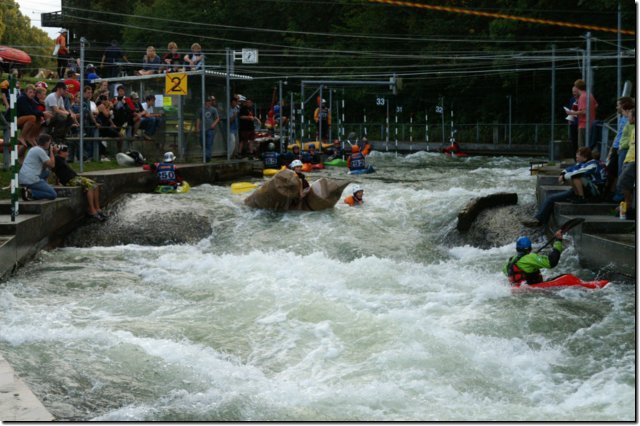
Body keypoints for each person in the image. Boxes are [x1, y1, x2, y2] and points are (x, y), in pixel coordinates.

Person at [523, 147, 606, 227]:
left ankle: (581, 197)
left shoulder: (593, 164)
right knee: (551, 198)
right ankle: (539, 220)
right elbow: (570, 169)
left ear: (584, 158)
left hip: (595, 192)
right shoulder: (583, 163)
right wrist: (562, 174)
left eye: (578, 155)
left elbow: (576, 174)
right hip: (585, 190)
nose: (576, 156)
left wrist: (563, 177)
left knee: (576, 176)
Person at [52, 144, 107, 221]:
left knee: (95, 185)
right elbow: (54, 169)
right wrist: (53, 151)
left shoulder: (62, 159)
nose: (67, 154)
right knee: (90, 187)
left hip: (76, 177)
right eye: (66, 152)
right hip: (70, 180)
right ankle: (92, 210)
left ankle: (97, 208)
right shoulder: (56, 158)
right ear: (61, 152)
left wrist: (57, 181)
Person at [606, 97, 634, 200]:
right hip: (618, 147)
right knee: (612, 171)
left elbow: (628, 136)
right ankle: (613, 193)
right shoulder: (623, 118)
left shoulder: (630, 118)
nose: (617, 107)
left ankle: (619, 195)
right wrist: (612, 148)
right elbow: (619, 135)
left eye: (618, 105)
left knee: (620, 172)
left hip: (623, 149)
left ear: (623, 106)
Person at [18, 133, 58, 201]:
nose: (50, 144)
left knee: (46, 172)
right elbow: (52, 165)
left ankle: (38, 188)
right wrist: (51, 151)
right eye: (50, 142)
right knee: (53, 195)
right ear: (47, 142)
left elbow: (45, 166)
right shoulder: (40, 151)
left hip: (23, 177)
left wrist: (52, 153)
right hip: (31, 179)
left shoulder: (34, 149)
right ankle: (31, 193)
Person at [566, 79, 598, 149]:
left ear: (577, 88)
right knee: (589, 146)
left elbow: (584, 111)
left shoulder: (582, 97)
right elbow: (596, 105)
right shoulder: (589, 94)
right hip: (590, 123)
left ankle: (583, 160)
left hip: (583, 124)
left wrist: (571, 113)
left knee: (582, 147)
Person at [616, 108, 635, 219]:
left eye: (630, 116)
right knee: (625, 183)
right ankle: (629, 206)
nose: (628, 118)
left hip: (633, 160)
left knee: (622, 182)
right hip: (628, 159)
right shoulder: (632, 129)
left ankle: (628, 204)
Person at [196, 96, 220, 162]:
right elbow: (198, 119)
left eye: (209, 101)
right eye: (207, 101)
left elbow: (217, 118)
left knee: (209, 143)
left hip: (210, 129)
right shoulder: (201, 109)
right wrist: (197, 128)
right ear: (205, 102)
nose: (208, 103)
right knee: (203, 143)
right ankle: (206, 156)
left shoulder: (214, 109)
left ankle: (207, 158)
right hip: (202, 129)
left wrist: (214, 124)